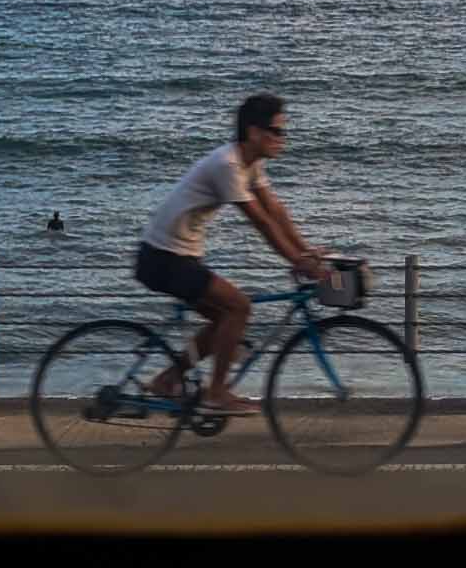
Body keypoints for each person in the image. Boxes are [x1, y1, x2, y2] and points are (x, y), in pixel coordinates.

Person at [130, 92, 329, 413]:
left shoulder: (250, 164)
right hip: (164, 257)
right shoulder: (227, 165)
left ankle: (167, 380)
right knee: (239, 307)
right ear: (253, 133)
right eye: (277, 131)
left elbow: (275, 210)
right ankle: (216, 393)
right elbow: (261, 223)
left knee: (224, 321)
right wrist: (297, 261)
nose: (283, 138)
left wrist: (306, 251)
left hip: (178, 254)